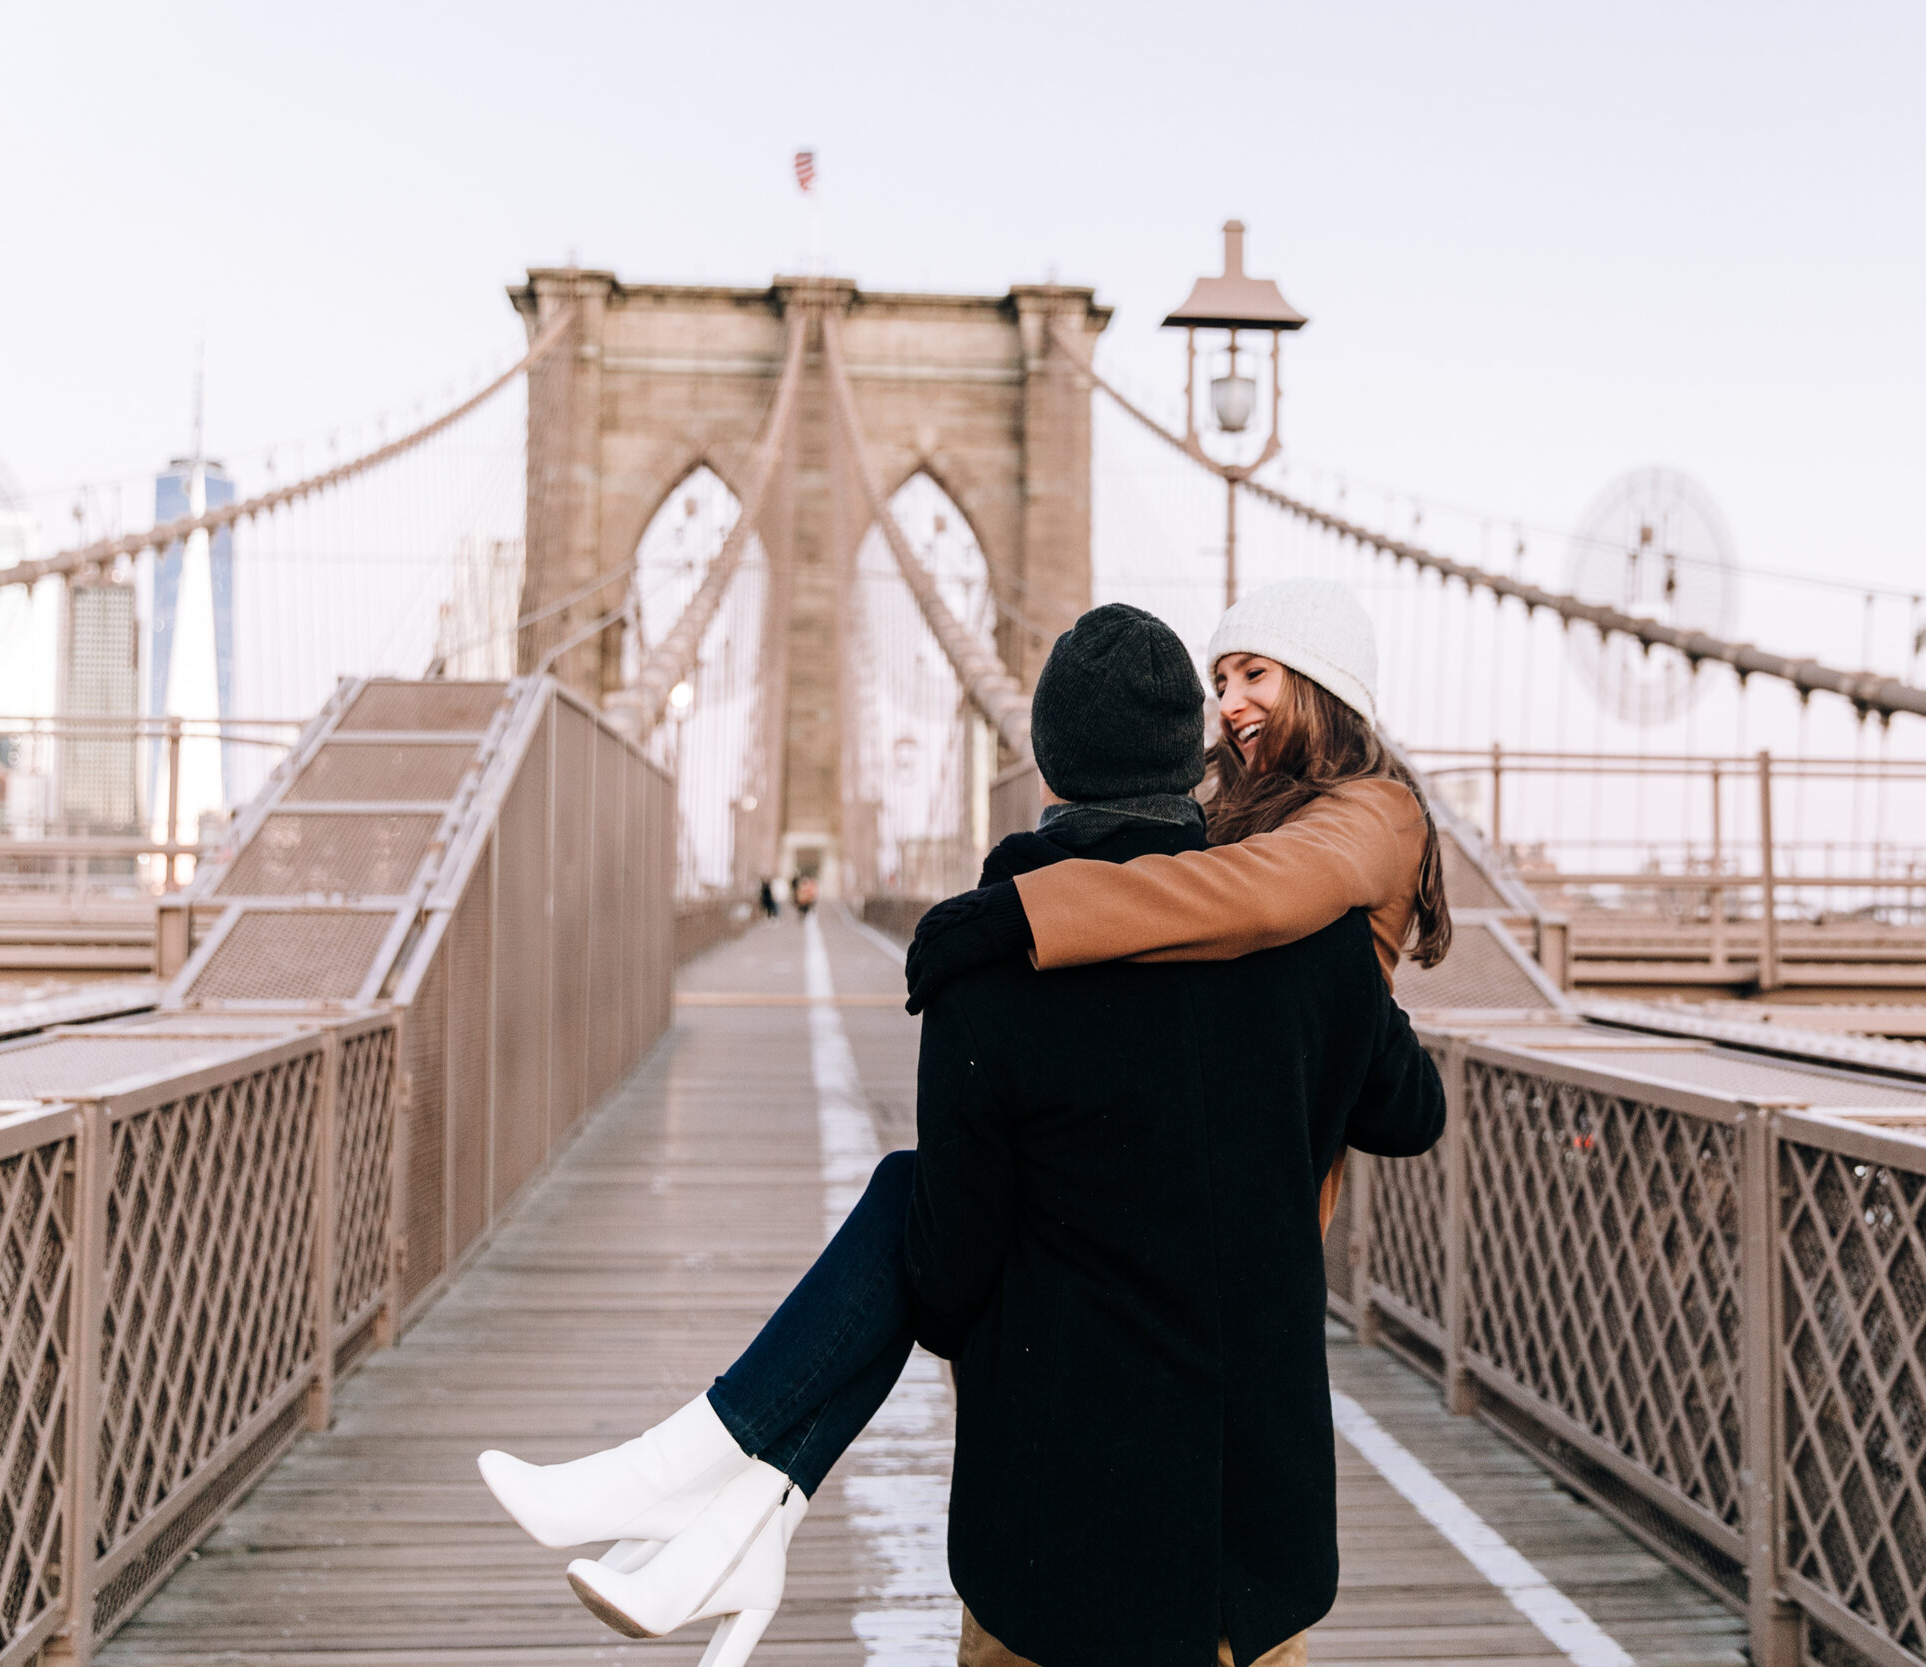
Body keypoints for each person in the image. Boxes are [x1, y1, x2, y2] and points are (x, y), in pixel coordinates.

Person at [476, 584, 1450, 1660]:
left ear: (1042, 766)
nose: (1235, 703)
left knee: (906, 1186)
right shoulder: (1314, 939)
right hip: (1247, 1550)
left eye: (1254, 677)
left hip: (1050, 1540)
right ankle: (722, 1486)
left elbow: (944, 1286)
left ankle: (731, 1479)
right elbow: (1408, 1111)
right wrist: (1362, 964)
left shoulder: (993, 971)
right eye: (1219, 685)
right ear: (1190, 753)